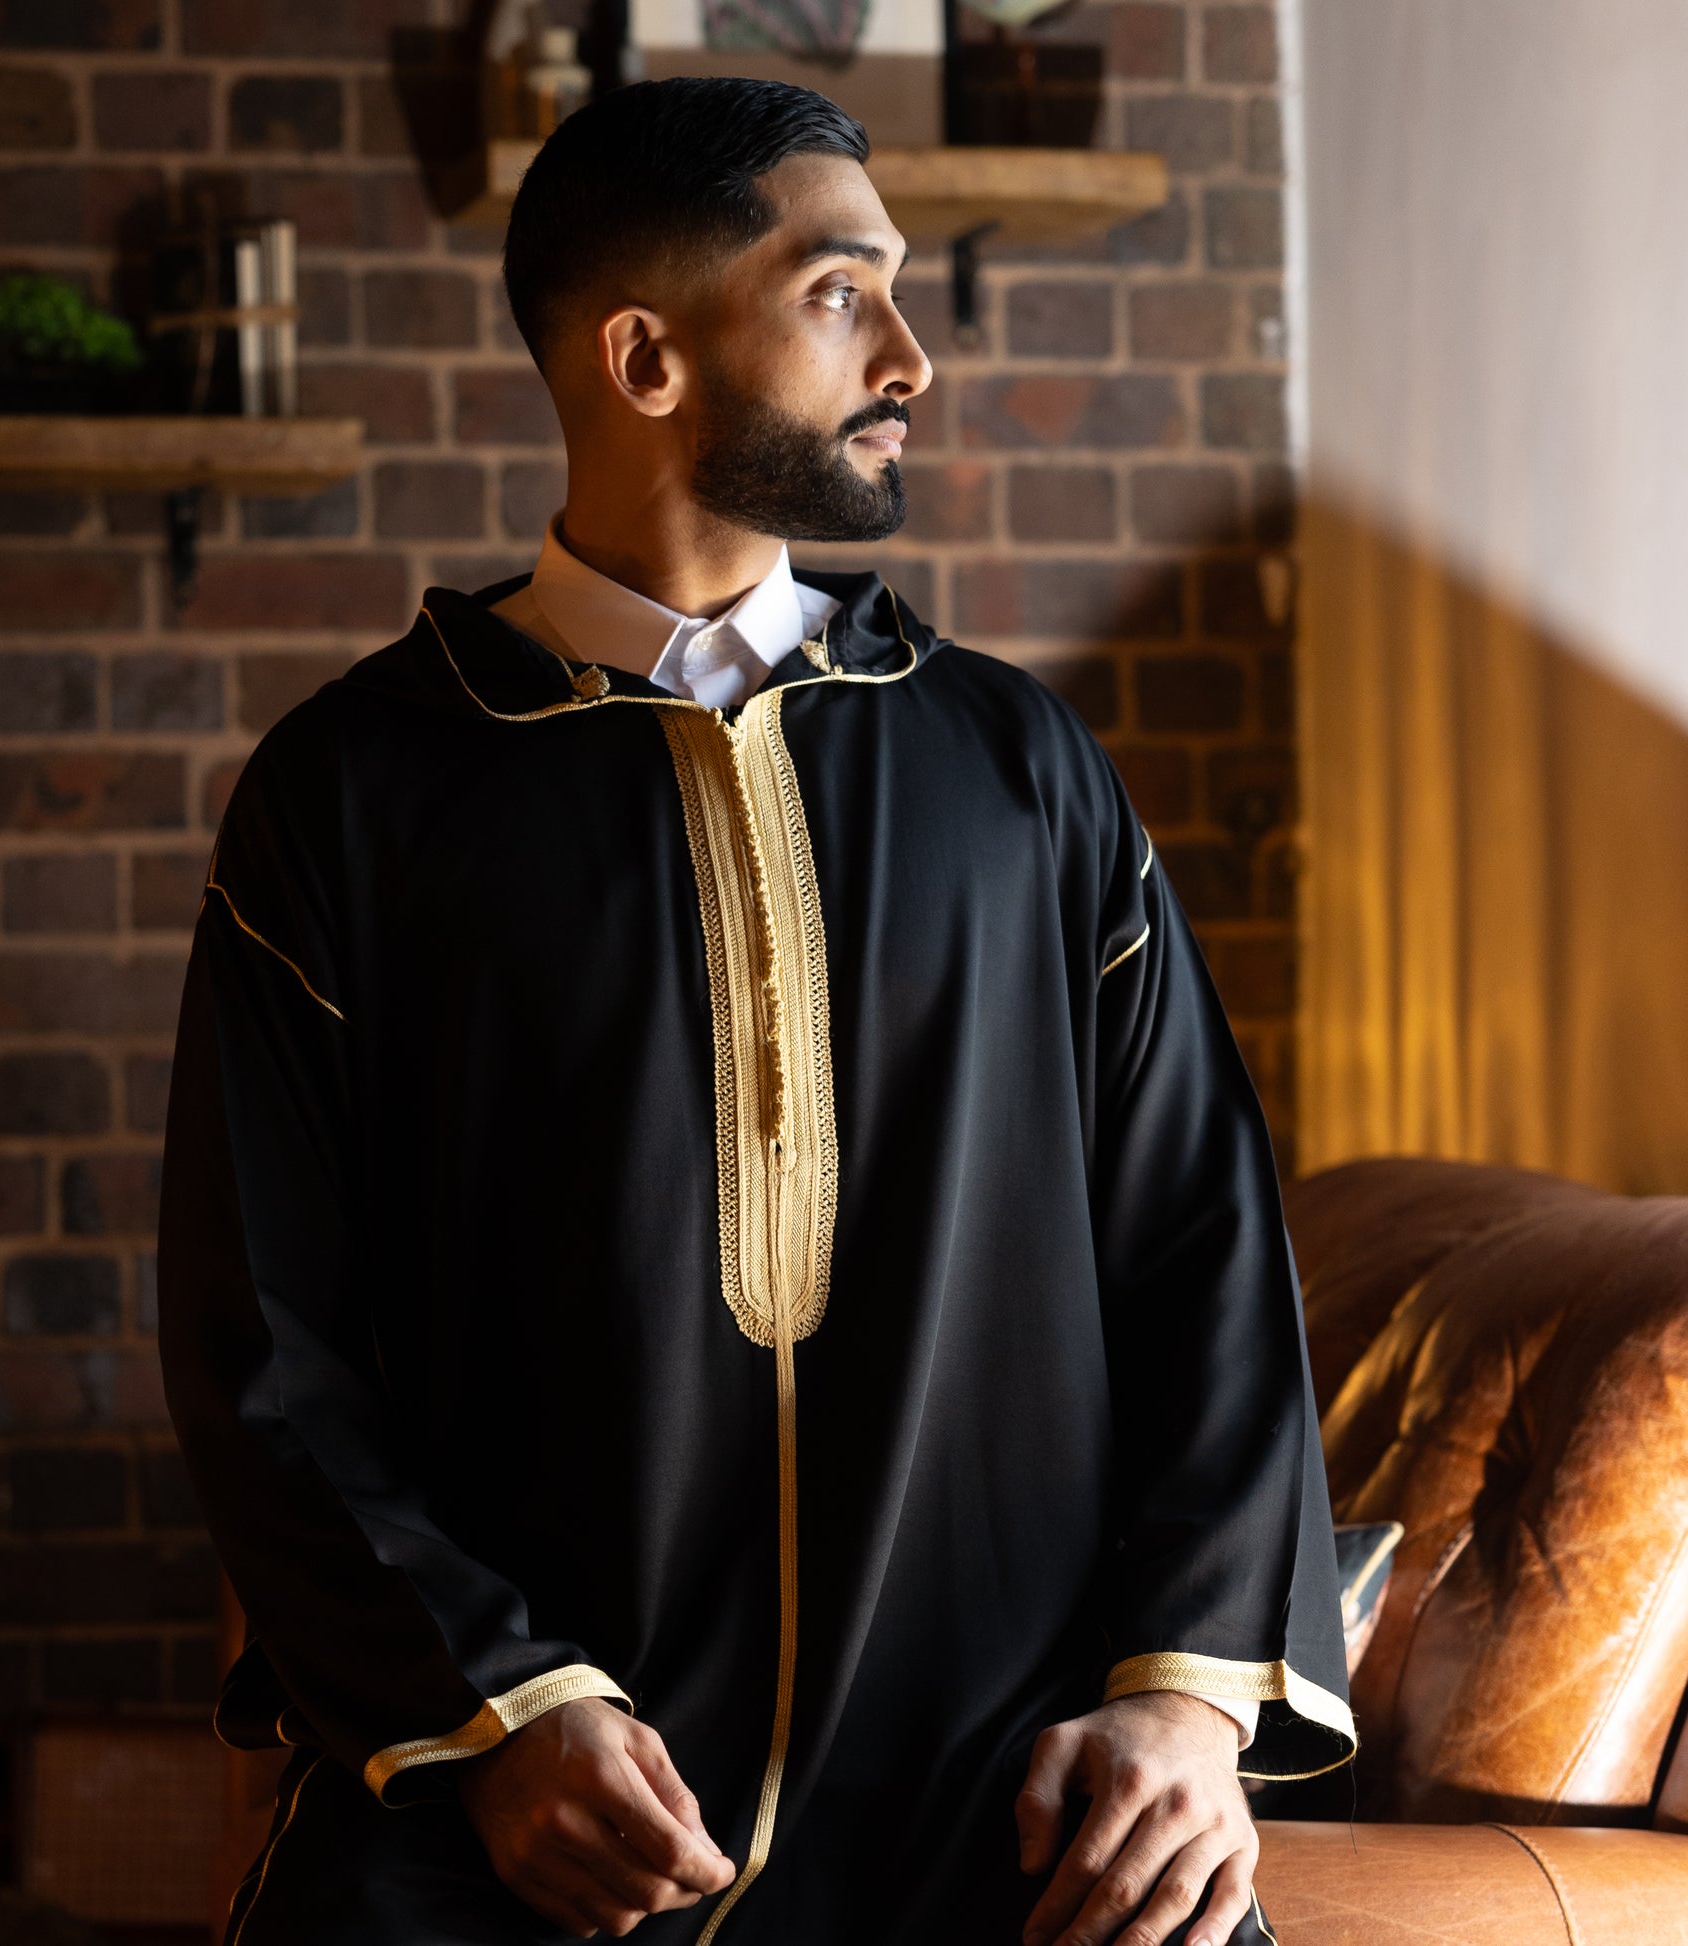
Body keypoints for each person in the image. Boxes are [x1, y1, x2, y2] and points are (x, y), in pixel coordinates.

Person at [158, 76, 1354, 1946]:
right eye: (838, 293)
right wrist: (502, 1715)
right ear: (644, 358)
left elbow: (1203, 1249)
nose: (908, 359)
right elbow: (264, 1339)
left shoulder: (1021, 771)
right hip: (528, 1809)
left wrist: (1183, 1702)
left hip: (1006, 1811)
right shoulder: (354, 795)